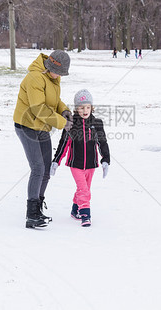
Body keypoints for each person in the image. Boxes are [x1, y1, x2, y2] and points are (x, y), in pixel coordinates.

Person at [13, 50, 73, 229]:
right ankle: (31, 215)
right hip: (27, 126)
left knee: (46, 169)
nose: (60, 76)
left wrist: (64, 110)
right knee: (38, 168)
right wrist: (63, 123)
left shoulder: (53, 78)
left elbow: (54, 101)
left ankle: (38, 208)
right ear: (50, 66)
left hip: (42, 126)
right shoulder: (35, 78)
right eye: (59, 72)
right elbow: (38, 108)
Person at [50, 89, 110, 227]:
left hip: (91, 164)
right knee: (84, 190)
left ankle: (75, 210)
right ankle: (85, 214)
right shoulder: (71, 125)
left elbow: (102, 143)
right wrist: (56, 161)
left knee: (85, 188)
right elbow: (63, 144)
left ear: (92, 108)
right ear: (76, 109)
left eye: (88, 107)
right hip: (75, 164)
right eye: (82, 107)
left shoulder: (97, 124)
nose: (85, 110)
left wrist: (105, 159)